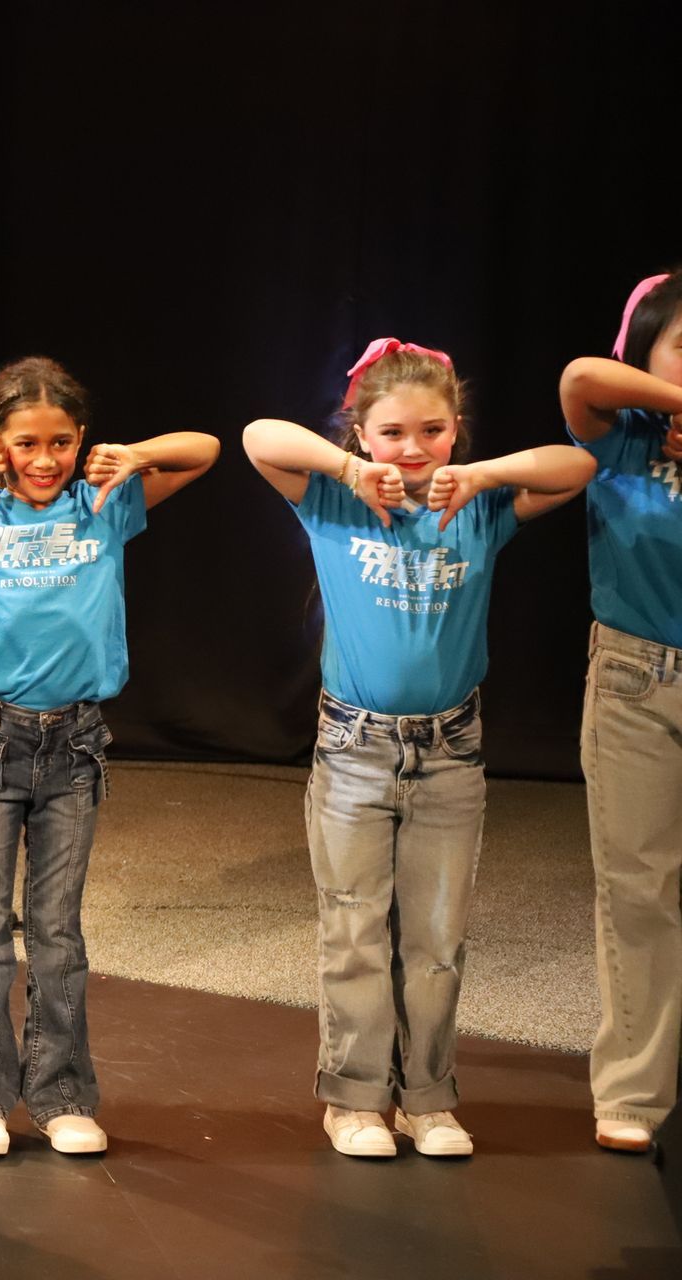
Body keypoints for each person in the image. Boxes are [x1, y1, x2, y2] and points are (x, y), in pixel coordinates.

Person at [243, 338, 595, 1158]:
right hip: (355, 751)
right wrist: (344, 470)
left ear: (455, 430)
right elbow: (260, 435)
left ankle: (429, 1097)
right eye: (392, 432)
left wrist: (485, 474)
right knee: (357, 928)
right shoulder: (331, 500)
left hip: (449, 752)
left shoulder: (473, 507)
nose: (412, 448)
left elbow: (575, 467)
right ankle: (356, 1099)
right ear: (361, 433)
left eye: (432, 432)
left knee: (435, 938)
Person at [0, 356, 218, 1157]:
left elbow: (206, 449)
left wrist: (135, 456)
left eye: (62, 441)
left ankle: (59, 1094)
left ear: (83, 440)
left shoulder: (104, 501)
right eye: (26, 443)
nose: (46, 458)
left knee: (57, 929)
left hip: (77, 741)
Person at [560, 270, 682, 1154]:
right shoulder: (624, 433)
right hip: (639, 679)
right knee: (640, 890)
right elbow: (579, 379)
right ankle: (636, 1094)